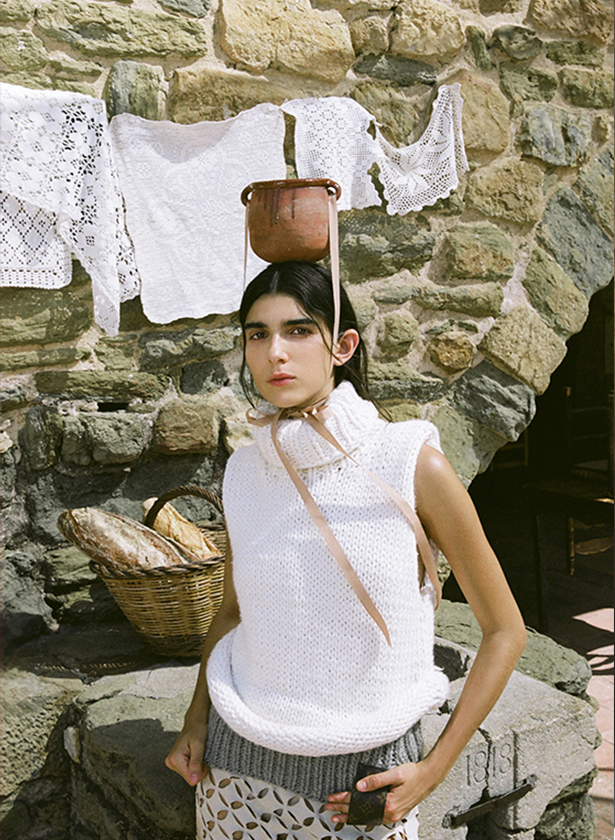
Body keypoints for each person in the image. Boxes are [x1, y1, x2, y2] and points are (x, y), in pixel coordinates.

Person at [165, 260, 526, 839]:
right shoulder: (241, 471)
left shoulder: (411, 462)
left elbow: (505, 631)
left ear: (343, 345)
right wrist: (195, 717)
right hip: (232, 775)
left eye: (299, 330)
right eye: (257, 334)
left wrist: (434, 769)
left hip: (359, 789)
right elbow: (233, 613)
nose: (275, 352)